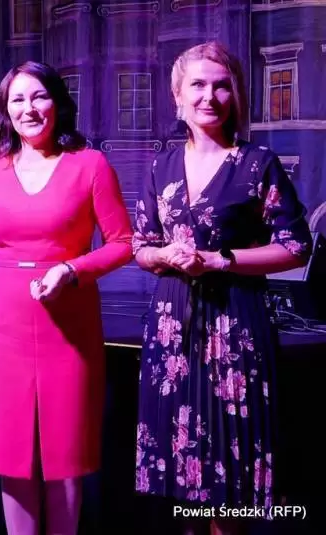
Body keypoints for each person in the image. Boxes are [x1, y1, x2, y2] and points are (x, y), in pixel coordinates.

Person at [0, 60, 134, 534]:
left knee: (66, 459)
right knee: (12, 458)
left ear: (57, 102)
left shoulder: (90, 165)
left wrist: (72, 269)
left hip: (70, 328)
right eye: (17, 99)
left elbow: (123, 243)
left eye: (38, 96)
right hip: (5, 330)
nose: (29, 108)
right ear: (5, 110)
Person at [132, 42, 313, 535]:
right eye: (197, 84)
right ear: (177, 95)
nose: (208, 96)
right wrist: (164, 256)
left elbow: (296, 246)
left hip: (236, 327)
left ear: (235, 95)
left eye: (221, 85)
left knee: (230, 487)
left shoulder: (257, 163)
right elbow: (141, 245)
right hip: (172, 332)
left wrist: (220, 259)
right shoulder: (161, 165)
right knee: (182, 485)